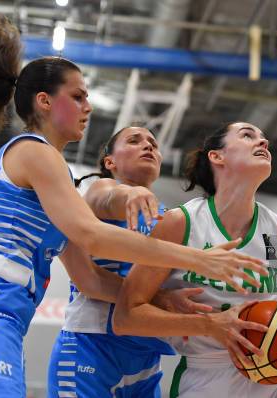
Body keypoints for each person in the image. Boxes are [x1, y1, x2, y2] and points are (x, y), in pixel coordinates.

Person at [0, 13, 264, 397]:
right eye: (78, 96)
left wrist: (162, 297)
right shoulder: (35, 152)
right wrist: (199, 260)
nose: (88, 107)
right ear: (44, 102)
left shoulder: (52, 175)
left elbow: (91, 278)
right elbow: (93, 234)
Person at [114, 122, 277, 398]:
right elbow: (125, 317)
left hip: (275, 377)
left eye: (264, 139)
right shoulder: (180, 223)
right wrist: (209, 325)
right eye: (248, 135)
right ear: (217, 156)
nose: (263, 143)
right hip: (208, 378)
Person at [48, 126, 224, 397]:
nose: (148, 146)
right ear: (110, 162)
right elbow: (107, 198)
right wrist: (130, 193)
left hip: (145, 356)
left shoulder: (167, 217)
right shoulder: (98, 188)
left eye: (153, 143)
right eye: (134, 141)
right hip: (93, 344)